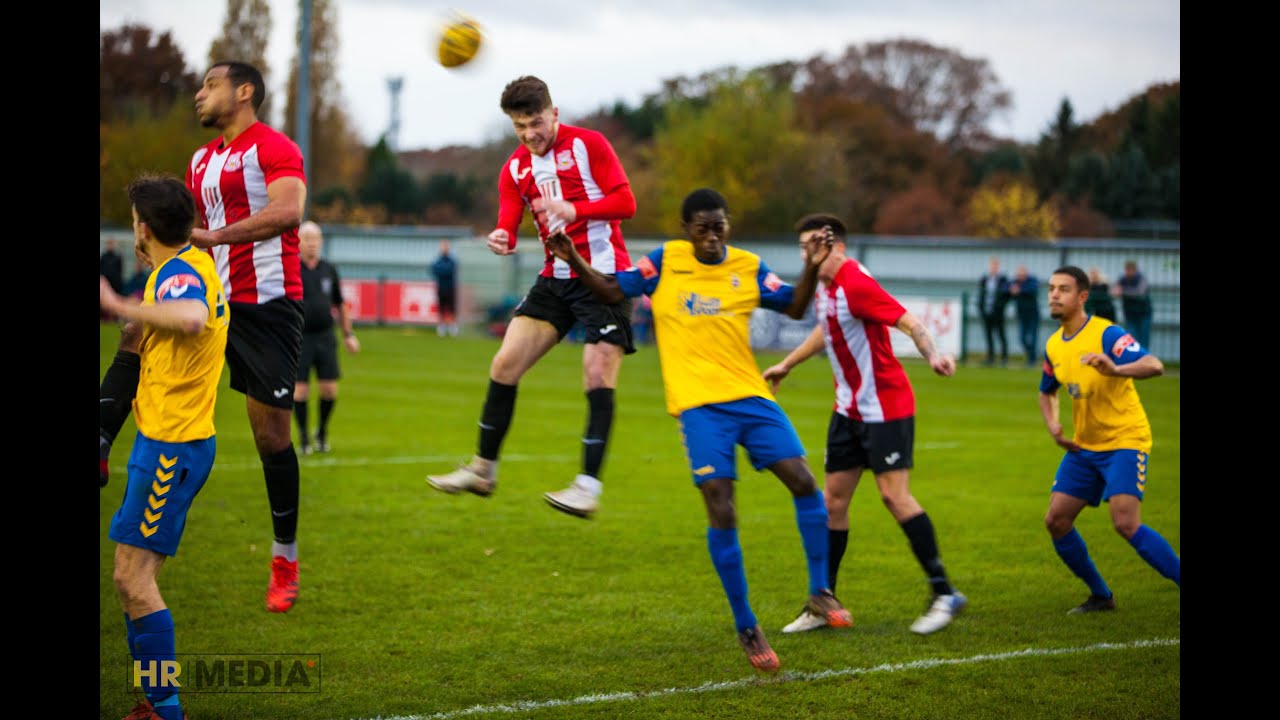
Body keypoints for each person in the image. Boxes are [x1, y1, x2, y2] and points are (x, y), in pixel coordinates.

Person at [546, 188, 851, 673]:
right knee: (720, 502)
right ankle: (747, 623)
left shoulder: (748, 266)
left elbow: (794, 306)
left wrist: (812, 264)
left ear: (728, 225)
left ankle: (819, 592)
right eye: (702, 228)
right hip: (698, 407)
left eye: (719, 226)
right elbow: (610, 289)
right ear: (686, 229)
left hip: (751, 397)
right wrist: (576, 260)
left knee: (804, 481)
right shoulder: (665, 261)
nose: (712, 236)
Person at [427, 75, 637, 519]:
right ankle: (483, 469)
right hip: (554, 279)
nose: (529, 135)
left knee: (597, 373)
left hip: (603, 277)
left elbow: (625, 202)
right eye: (519, 127)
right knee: (504, 364)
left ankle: (587, 487)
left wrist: (575, 209)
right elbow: (508, 218)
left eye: (536, 123)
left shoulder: (589, 146)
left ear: (554, 112)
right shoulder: (516, 168)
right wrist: (502, 235)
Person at [761, 214, 966, 636]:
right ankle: (823, 601)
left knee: (894, 497)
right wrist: (787, 364)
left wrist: (933, 355)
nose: (804, 255)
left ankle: (944, 593)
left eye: (809, 247)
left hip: (885, 407)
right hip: (847, 410)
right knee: (831, 504)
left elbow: (908, 321)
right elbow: (828, 330)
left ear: (833, 247)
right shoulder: (825, 288)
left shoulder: (856, 283)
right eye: (802, 247)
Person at [100, 173, 229, 720]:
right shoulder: (183, 266)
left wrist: (118, 306)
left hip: (172, 448)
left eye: (133, 220)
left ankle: (165, 709)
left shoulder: (178, 276)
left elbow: (191, 317)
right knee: (129, 577)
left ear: (144, 229)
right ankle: (154, 703)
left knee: (134, 580)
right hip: (164, 441)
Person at [187, 60, 308, 613]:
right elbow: (193, 231)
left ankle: (285, 555)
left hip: (267, 305)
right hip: (208, 302)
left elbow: (289, 212)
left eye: (209, 84)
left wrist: (216, 236)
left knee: (270, 439)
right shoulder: (200, 161)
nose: (199, 93)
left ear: (243, 91)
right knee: (138, 339)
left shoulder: (274, 147)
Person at [1038, 266, 1180, 614]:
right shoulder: (1054, 345)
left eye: (1064, 289)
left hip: (1124, 439)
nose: (1054, 295)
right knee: (1056, 521)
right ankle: (1102, 596)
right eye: (1052, 288)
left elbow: (1154, 364)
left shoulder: (1106, 333)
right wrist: (1054, 426)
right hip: (1085, 447)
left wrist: (1116, 369)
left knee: (1125, 522)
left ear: (1082, 297)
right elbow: (1047, 391)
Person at [294, 221, 360, 455]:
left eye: (316, 239)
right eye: (308, 239)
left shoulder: (329, 269)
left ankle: (321, 431)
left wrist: (348, 334)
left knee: (329, 390)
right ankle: (303, 436)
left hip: (325, 337)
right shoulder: (291, 269)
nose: (312, 243)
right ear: (298, 241)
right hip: (299, 338)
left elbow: (340, 304)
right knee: (299, 392)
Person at [976, 256, 1010, 366]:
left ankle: (1004, 358)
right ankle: (991, 358)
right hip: (987, 312)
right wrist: (981, 308)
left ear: (998, 267)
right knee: (988, 335)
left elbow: (1006, 295)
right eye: (992, 266)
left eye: (995, 266)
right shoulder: (984, 279)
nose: (993, 268)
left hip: (998, 313)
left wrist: (1000, 306)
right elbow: (980, 295)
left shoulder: (1003, 279)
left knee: (1001, 335)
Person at [1112, 259, 1153, 348]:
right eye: (1127, 270)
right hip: (1130, 314)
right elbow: (1115, 291)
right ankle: (1134, 359)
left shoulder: (1141, 278)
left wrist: (1123, 291)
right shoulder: (1122, 279)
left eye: (1131, 270)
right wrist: (1117, 291)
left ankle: (1145, 359)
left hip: (1144, 314)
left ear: (1135, 270)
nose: (1128, 272)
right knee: (1132, 338)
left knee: (1144, 339)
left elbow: (1140, 292)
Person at [1008, 264, 1041, 367]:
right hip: (1021, 315)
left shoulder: (1032, 280)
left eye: (1023, 273)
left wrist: (1019, 290)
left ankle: (1032, 359)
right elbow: (1006, 288)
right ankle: (1031, 355)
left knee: (1033, 338)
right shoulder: (1014, 282)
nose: (1021, 275)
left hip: (1033, 315)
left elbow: (1033, 289)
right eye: (1019, 274)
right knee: (1022, 338)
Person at [101, 239, 126, 321]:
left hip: (115, 284)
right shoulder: (103, 257)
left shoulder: (117, 257)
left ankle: (114, 317)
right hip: (106, 283)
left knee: (115, 301)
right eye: (109, 244)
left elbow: (120, 270)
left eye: (112, 244)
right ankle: (105, 317)